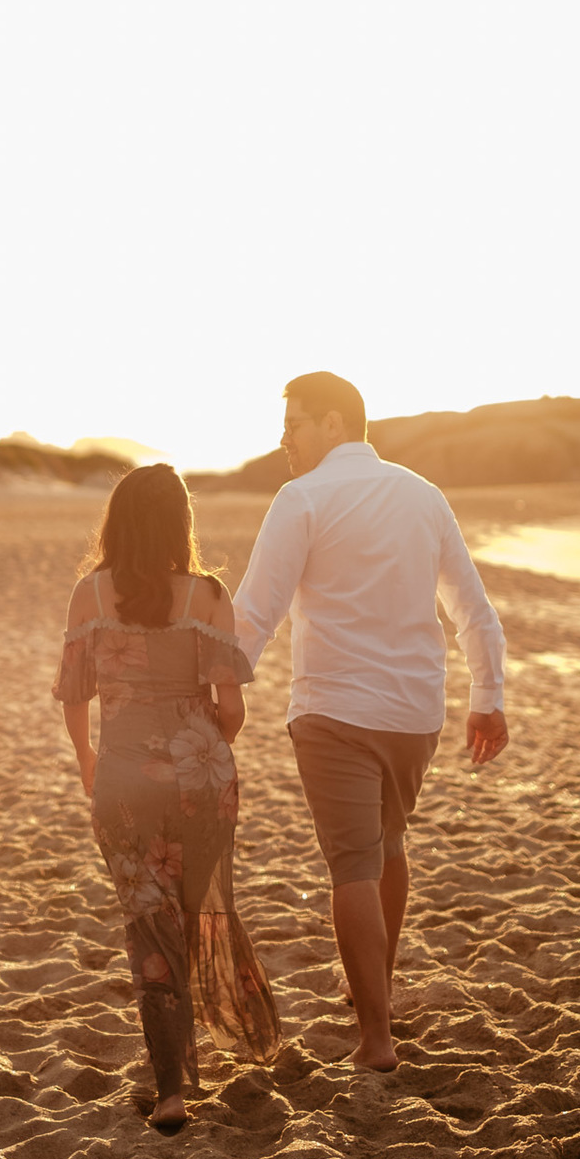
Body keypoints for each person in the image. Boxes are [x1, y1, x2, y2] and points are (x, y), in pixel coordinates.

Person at [232, 372, 508, 1072]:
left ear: (333, 423)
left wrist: (220, 692)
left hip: (333, 710)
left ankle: (377, 1039)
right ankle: (376, 993)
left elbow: (254, 611)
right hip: (416, 713)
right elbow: (471, 605)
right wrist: (488, 694)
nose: (283, 438)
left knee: (353, 862)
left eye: (293, 423)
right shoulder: (423, 495)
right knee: (387, 844)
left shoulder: (302, 498)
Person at [52, 463, 281, 1132]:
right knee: (202, 906)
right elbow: (231, 708)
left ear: (117, 522)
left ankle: (172, 1088)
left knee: (149, 924)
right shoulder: (208, 596)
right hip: (201, 776)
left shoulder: (88, 596)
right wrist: (205, 741)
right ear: (181, 523)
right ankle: (219, 1026)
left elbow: (74, 697)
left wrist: (89, 758)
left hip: (122, 778)